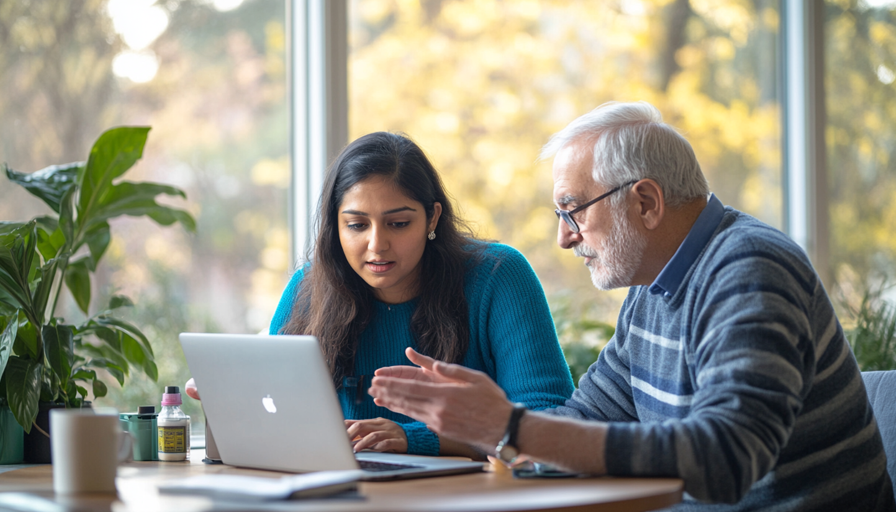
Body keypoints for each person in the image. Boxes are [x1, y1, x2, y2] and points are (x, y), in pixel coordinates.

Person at [368, 102, 895, 510]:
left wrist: (511, 427)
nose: (564, 239)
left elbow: (728, 458)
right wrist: (479, 427)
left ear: (645, 202)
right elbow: (587, 416)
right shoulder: (654, 284)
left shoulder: (750, 270)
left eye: (572, 210)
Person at [187, 131, 574, 458]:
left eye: (399, 223)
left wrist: (416, 438)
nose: (377, 245)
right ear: (334, 226)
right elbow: (277, 415)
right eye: (356, 225)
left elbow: (549, 418)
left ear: (433, 218)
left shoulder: (497, 275)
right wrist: (233, 396)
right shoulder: (309, 288)